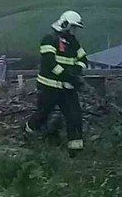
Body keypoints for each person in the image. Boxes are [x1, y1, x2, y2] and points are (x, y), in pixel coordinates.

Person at [25, 10, 87, 157]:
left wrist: (77, 71)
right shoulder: (49, 39)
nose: (74, 31)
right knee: (43, 114)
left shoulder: (73, 42)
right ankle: (28, 133)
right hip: (49, 87)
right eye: (72, 27)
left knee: (75, 117)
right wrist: (69, 77)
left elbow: (83, 59)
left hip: (67, 88)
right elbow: (50, 64)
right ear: (64, 24)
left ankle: (76, 151)